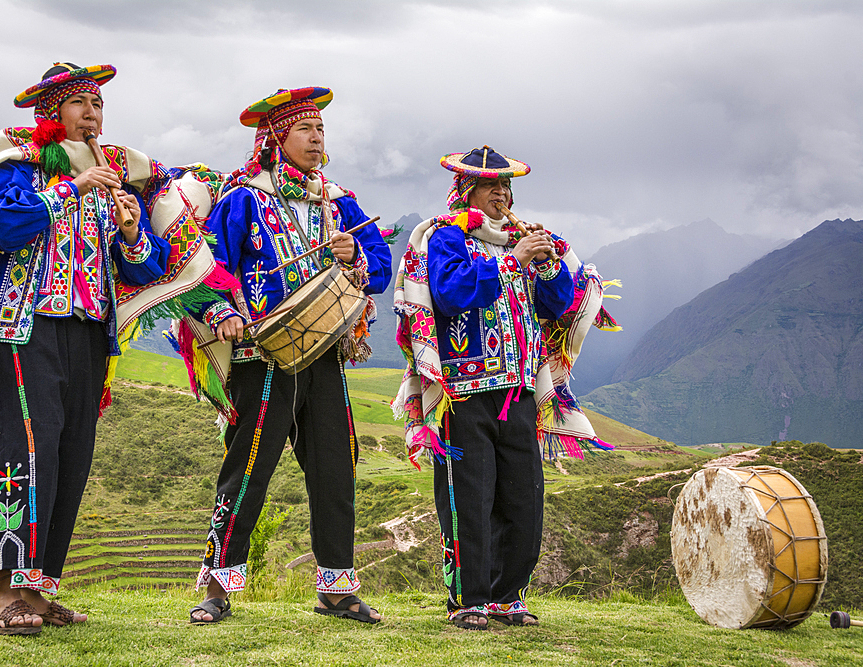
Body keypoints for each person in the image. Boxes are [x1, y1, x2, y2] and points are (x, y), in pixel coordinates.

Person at [0, 63, 230, 635]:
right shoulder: (20, 162)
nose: (93, 114)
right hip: (22, 329)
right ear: (52, 111)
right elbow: (8, 225)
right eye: (81, 104)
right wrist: (71, 190)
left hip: (89, 333)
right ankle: (5, 593)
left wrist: (134, 230)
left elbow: (138, 267)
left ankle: (41, 592)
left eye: (98, 105)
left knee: (70, 455)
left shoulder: (111, 175)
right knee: (20, 454)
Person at [181, 87, 391, 625]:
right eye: (305, 129)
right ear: (275, 137)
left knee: (334, 468)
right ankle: (217, 585)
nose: (317, 137)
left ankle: (337, 589)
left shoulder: (338, 201)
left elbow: (381, 268)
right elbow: (208, 269)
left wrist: (355, 252)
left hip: (324, 353)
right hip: (263, 356)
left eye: (321, 129)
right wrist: (220, 314)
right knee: (249, 469)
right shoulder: (244, 199)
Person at [393, 146, 591, 629]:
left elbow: (559, 304)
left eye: (506, 187)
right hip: (464, 392)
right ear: (465, 191)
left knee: (523, 497)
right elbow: (451, 291)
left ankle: (508, 595)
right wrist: (510, 264)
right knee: (469, 499)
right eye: (490, 187)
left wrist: (546, 264)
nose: (501, 195)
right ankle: (468, 599)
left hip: (519, 391)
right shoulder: (446, 237)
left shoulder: (519, 238)